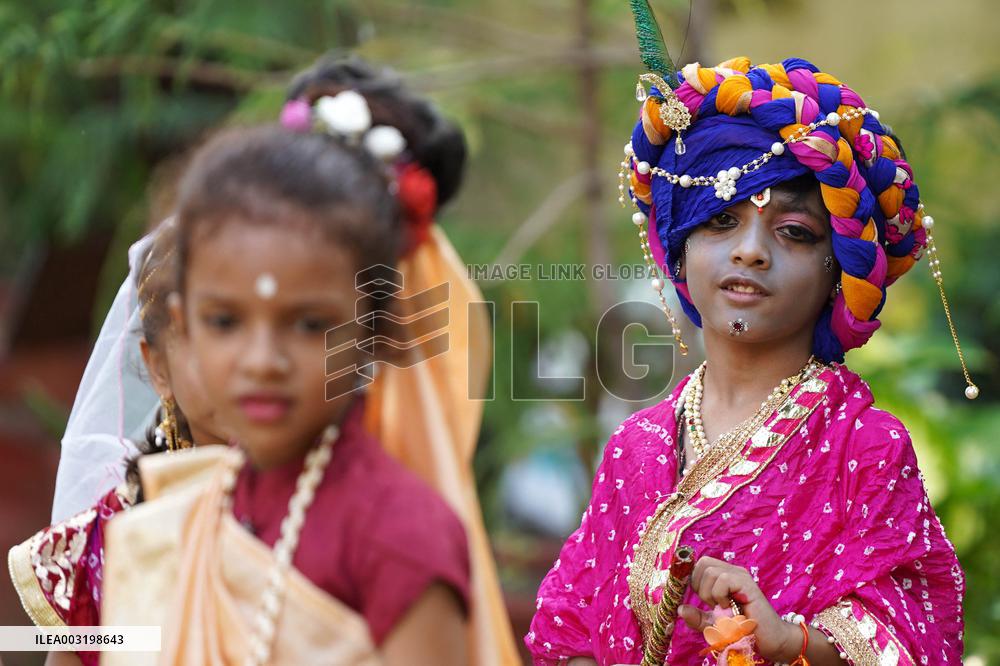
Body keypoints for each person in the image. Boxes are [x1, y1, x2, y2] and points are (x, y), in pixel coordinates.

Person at [525, 42, 969, 666]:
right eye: (720, 222)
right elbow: (569, 627)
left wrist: (790, 642)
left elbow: (917, 635)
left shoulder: (865, 448)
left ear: (837, 269)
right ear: (678, 251)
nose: (750, 251)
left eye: (793, 232)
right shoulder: (636, 446)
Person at [98, 58, 517, 665]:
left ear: (373, 332)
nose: (262, 360)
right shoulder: (176, 515)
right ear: (181, 329)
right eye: (225, 322)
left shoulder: (398, 537)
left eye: (308, 324)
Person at [8, 218, 227, 666]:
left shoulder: (347, 504)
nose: (255, 359)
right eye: (220, 326)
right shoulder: (109, 537)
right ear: (159, 366)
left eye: (296, 324)